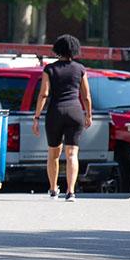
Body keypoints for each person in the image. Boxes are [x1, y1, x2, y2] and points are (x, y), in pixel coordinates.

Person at [31, 34, 92, 202]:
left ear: (57, 50)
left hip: (55, 112)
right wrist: (88, 114)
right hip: (75, 111)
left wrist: (36, 117)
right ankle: (71, 192)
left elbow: (44, 94)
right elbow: (86, 95)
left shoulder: (49, 69)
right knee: (72, 154)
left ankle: (52, 189)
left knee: (53, 154)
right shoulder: (80, 69)